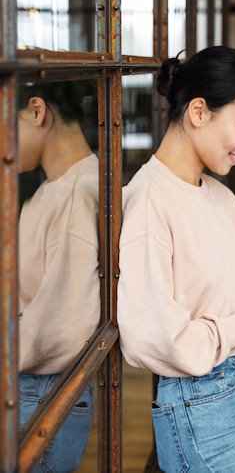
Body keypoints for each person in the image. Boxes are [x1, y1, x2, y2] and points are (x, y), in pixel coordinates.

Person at [117, 46, 235, 473]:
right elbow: (158, 342)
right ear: (199, 111)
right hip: (200, 411)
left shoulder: (221, 197)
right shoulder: (149, 203)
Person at [18, 81, 100, 473]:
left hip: (42, 388)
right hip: (38, 384)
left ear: (37, 111)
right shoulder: (62, 188)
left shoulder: (74, 199)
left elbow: (61, 331)